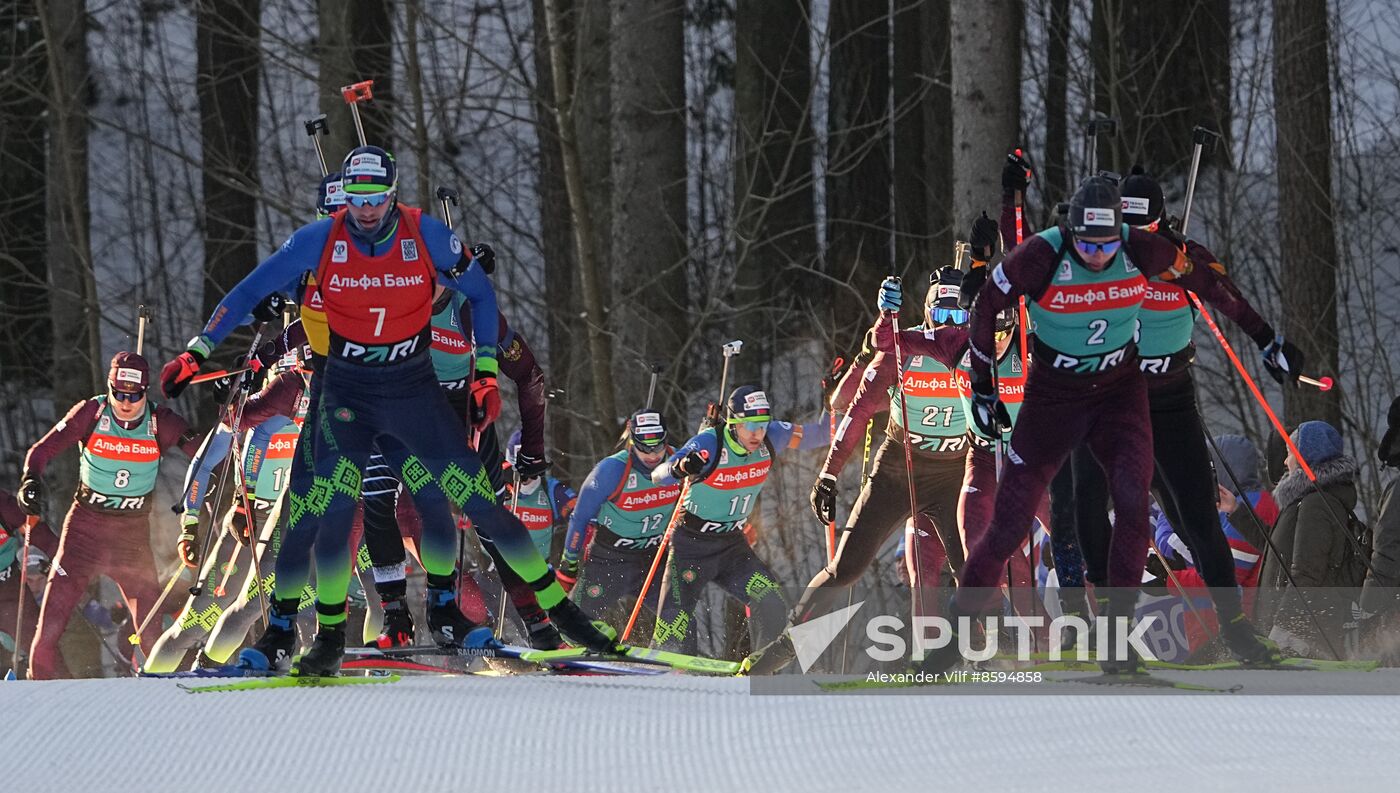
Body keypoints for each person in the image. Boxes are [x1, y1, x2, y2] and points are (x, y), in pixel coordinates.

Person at [159, 144, 614, 676]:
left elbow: (479, 294)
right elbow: (250, 298)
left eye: (374, 198)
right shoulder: (316, 247)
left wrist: (486, 370)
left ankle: (514, 615)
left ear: (393, 194)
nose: (362, 210)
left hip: (409, 390)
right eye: (352, 200)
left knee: (456, 501)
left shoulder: (423, 235)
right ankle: (296, 631)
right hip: (343, 393)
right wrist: (201, 351)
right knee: (318, 516)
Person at [920, 173, 1301, 677]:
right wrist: (985, 386)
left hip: (1135, 396)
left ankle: (1173, 635)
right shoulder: (1046, 253)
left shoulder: (1144, 249)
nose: (1098, 256)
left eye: (1109, 242)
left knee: (1159, 510)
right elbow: (988, 301)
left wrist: (1268, 338)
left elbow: (1214, 285)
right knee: (1021, 519)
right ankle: (957, 638)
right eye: (1087, 244)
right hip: (1057, 397)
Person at [18, 352, 203, 679]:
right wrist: (30, 480)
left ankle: (173, 690)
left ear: (145, 391)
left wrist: (214, 476)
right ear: (109, 388)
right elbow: (42, 450)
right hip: (83, 536)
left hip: (130, 541)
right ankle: (42, 692)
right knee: (49, 627)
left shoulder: (161, 421)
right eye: (119, 393)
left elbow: (203, 454)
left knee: (149, 630)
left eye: (134, 396)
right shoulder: (92, 412)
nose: (126, 402)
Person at [651, 387, 828, 657]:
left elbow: (823, 434)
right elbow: (658, 476)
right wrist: (681, 467)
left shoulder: (774, 436)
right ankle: (669, 671)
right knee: (674, 625)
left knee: (771, 602)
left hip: (732, 547)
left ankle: (763, 669)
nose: (757, 433)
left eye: (762, 424)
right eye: (749, 425)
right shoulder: (711, 442)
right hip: (692, 545)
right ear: (733, 423)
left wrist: (834, 398)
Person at [560, 410, 681, 635]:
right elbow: (581, 516)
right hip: (609, 559)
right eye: (645, 447)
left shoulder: (679, 463)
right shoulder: (611, 469)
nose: (653, 455)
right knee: (571, 626)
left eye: (658, 446)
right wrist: (569, 562)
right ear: (632, 441)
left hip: (652, 559)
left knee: (680, 620)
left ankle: (676, 659)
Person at [1258, 421, 1363, 658]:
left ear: (1305, 455)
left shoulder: (1317, 503)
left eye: (1289, 454)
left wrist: (1286, 626)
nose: (1285, 462)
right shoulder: (1307, 500)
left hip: (1304, 634)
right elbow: (1279, 551)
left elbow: (1308, 570)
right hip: (1297, 624)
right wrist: (1236, 512)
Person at [0, 490, 58, 675]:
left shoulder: (3, 504)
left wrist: (58, 555)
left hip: (8, 591)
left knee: (41, 648)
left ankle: (62, 688)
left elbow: (32, 527)